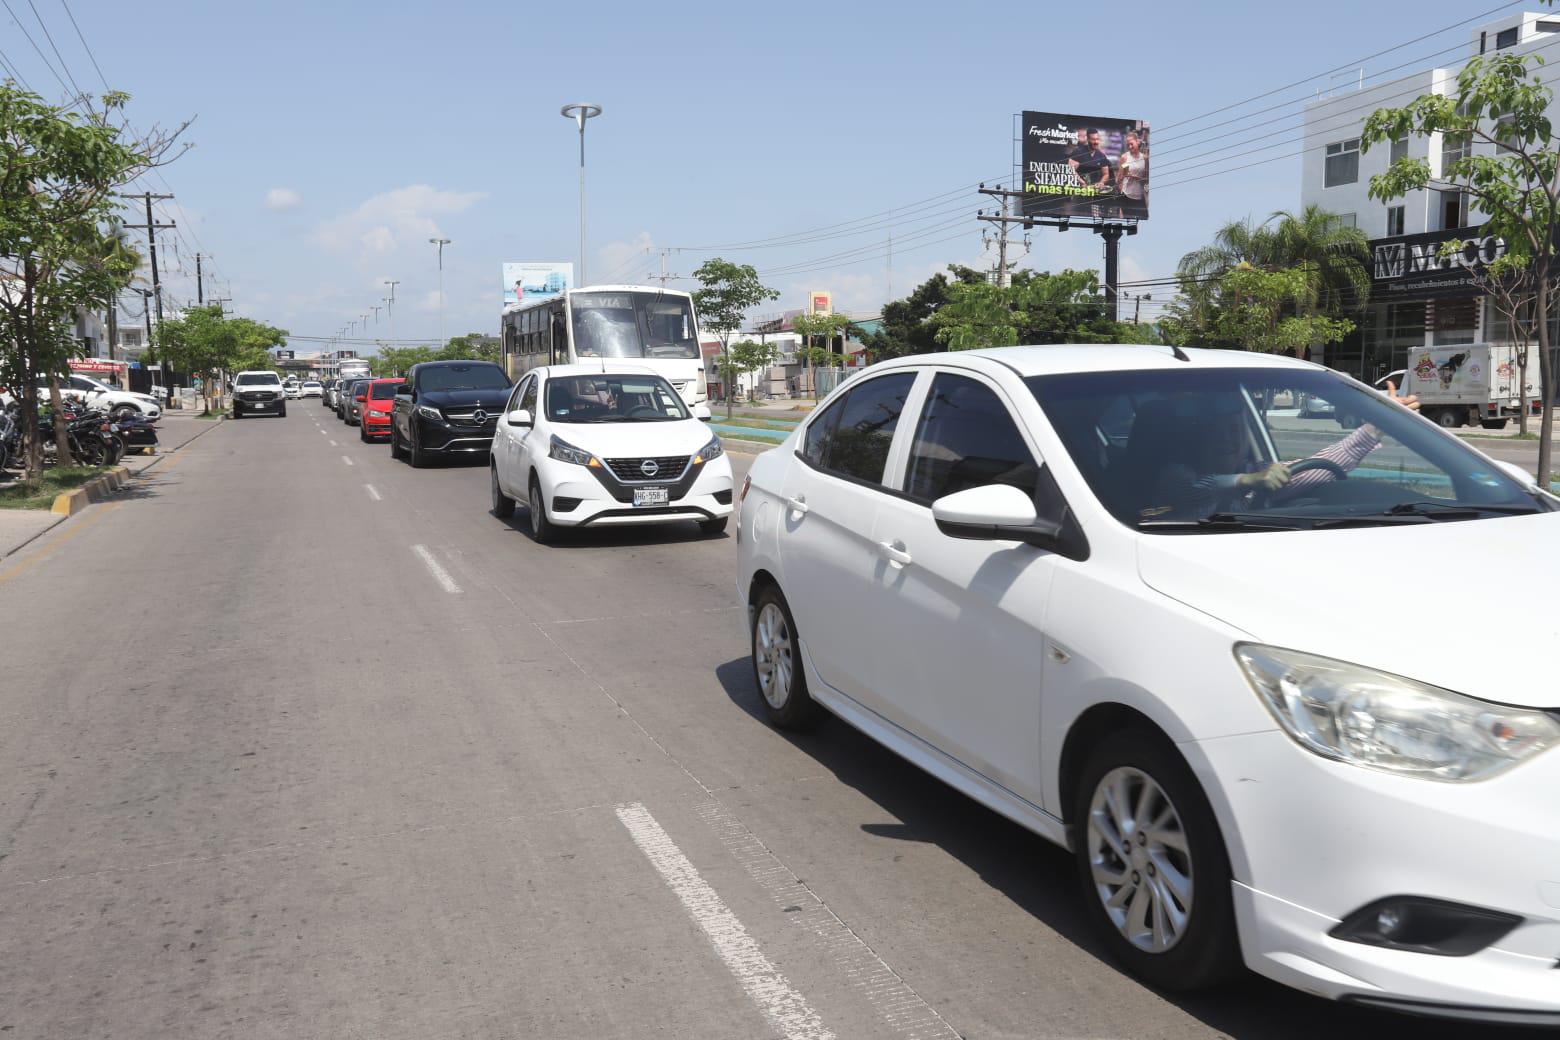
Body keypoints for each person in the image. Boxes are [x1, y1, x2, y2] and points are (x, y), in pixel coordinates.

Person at [1152, 383, 1421, 517]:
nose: (1229, 440)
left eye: (1236, 430)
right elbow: (1191, 490)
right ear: (1197, 437)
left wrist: (1376, 427)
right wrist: (1245, 481)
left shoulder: (1257, 470)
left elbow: (1317, 465)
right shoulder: (1174, 474)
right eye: (1217, 431)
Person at [1116, 130, 1147, 209]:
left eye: (1131, 144)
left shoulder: (1145, 158)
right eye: (1128, 145)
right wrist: (1123, 176)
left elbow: (1147, 179)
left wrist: (1136, 178)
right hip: (1126, 195)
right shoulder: (1124, 157)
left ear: (1137, 142)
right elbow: (1118, 180)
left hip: (1140, 196)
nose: (1130, 147)